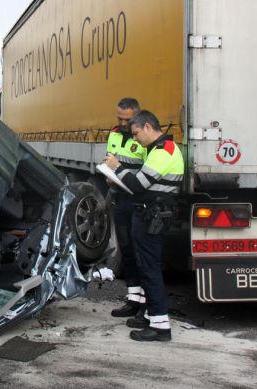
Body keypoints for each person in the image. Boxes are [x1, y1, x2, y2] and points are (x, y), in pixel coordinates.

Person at [105, 110, 184, 342]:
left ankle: (160, 326)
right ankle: (151, 317)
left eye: (137, 133)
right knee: (148, 267)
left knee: (149, 270)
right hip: (151, 216)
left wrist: (117, 167)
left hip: (152, 218)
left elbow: (139, 184)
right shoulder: (160, 150)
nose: (136, 139)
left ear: (148, 127)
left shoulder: (163, 152)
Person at [106, 98, 148, 319]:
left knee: (142, 254)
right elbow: (110, 160)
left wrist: (122, 173)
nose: (122, 123)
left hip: (138, 201)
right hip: (120, 199)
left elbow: (148, 172)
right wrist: (110, 177)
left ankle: (145, 303)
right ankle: (132, 300)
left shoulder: (143, 138)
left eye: (127, 119)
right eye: (119, 118)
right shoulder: (113, 133)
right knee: (128, 252)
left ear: (137, 117)